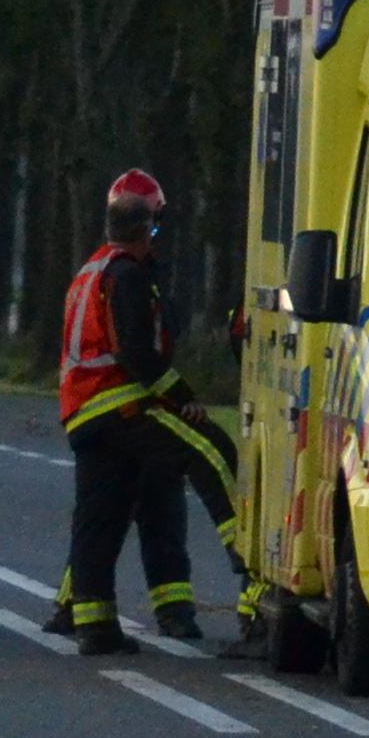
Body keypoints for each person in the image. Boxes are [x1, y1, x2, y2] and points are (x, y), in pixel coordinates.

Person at [53, 168, 238, 656]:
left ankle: (93, 624)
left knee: (101, 516)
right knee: (212, 450)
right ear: (147, 227)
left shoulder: (91, 271)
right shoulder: (128, 274)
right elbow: (135, 351)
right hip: (123, 404)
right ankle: (252, 568)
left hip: (84, 414)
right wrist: (183, 396)